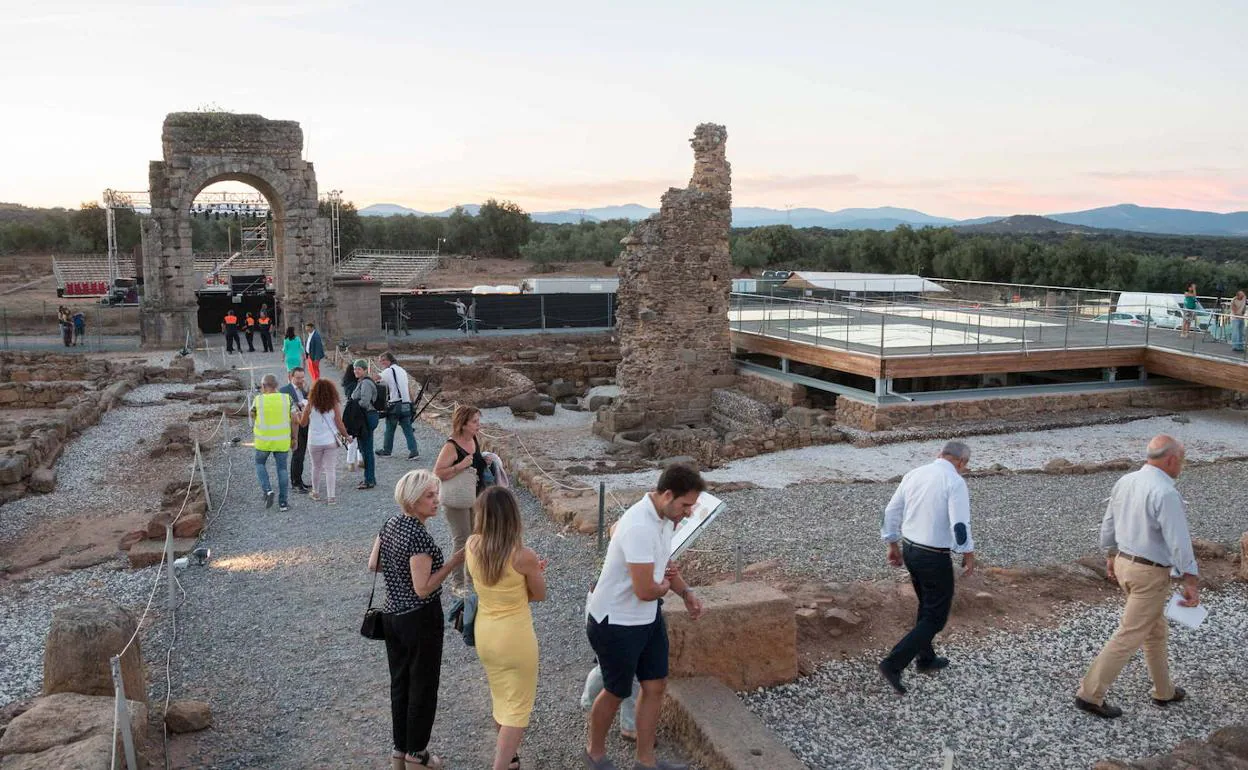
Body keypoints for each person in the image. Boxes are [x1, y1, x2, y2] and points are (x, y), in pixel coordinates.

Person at [584, 464, 706, 770]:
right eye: (685, 505)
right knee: (616, 690)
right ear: (667, 495)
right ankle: (594, 755)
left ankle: (645, 762)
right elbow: (646, 589)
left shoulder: (665, 517)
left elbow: (665, 567)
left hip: (645, 619)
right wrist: (665, 587)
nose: (689, 513)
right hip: (616, 621)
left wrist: (687, 593)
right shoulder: (639, 525)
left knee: (655, 685)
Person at [1074, 435, 1200, 719]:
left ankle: (1164, 690)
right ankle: (1089, 694)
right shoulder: (1166, 493)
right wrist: (1190, 580)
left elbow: (1109, 522)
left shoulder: (1126, 481)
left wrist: (1110, 555)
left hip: (1124, 564)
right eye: (1182, 460)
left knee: (1154, 629)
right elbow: (1179, 541)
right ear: (1170, 460)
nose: (1182, 466)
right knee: (1129, 634)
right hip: (1150, 573)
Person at [368, 470, 464, 770]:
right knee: (422, 685)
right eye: (429, 496)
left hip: (392, 616)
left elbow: (374, 564)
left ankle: (400, 751)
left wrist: (400, 575)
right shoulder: (418, 535)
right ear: (413, 499)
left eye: (436, 494)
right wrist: (453, 561)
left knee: (400, 684)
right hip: (419, 619)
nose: (437, 501)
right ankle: (417, 754)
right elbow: (423, 588)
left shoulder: (391, 524)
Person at [877, 441, 976, 696]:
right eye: (965, 465)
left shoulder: (914, 474)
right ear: (961, 462)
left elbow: (891, 511)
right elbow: (960, 526)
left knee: (926, 604)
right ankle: (893, 663)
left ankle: (926, 658)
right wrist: (968, 553)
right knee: (936, 617)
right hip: (934, 556)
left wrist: (892, 544)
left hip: (910, 549)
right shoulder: (954, 482)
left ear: (940, 454)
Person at [466, 486, 547, 770]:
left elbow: (492, 588)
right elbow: (538, 595)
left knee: (501, 696)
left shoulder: (472, 544)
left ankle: (510, 759)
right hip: (515, 637)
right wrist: (534, 573)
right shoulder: (523, 555)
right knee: (518, 708)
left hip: (486, 633)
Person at [434, 405, 488, 594]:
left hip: (475, 497)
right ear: (463, 424)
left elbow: (476, 463)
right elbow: (438, 473)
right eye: (474, 422)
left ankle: (472, 577)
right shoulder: (451, 446)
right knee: (462, 539)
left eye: (478, 421)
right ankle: (458, 583)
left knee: (476, 537)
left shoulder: (473, 438)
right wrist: (460, 466)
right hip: (457, 499)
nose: (478, 425)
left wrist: (485, 460)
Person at [250, 373, 299, 513]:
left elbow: (252, 415)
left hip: (263, 441)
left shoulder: (258, 400)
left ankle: (267, 489)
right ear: (277, 385)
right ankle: (283, 503)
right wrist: (294, 438)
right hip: (282, 440)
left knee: (260, 464)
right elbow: (295, 420)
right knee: (282, 470)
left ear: (264, 386)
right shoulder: (287, 399)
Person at [299, 378, 351, 505]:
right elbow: (339, 423)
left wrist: (300, 414)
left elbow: (303, 423)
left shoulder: (310, 404)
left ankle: (315, 493)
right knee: (330, 469)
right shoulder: (333, 404)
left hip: (314, 441)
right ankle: (331, 497)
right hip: (330, 441)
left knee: (316, 467)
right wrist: (347, 436)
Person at [376, 352, 419, 460]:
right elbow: (407, 387)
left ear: (389, 360)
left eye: (383, 360)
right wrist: (412, 403)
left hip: (396, 404)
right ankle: (414, 451)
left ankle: (387, 451)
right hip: (406, 404)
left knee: (390, 428)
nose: (381, 363)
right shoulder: (402, 370)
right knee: (408, 428)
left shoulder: (388, 371)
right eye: (380, 361)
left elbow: (375, 378)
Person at [349, 359, 381, 490]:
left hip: (367, 416)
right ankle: (369, 478)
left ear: (364, 370)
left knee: (366, 450)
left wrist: (353, 404)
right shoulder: (362, 382)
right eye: (355, 369)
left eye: (359, 369)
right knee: (364, 448)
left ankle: (369, 480)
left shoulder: (366, 383)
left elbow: (365, 402)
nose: (356, 371)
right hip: (366, 417)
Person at [280, 367, 311, 494]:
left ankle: (299, 480)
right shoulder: (284, 391)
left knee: (301, 454)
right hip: (293, 427)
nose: (300, 380)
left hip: (304, 424)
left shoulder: (305, 389)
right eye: (298, 378)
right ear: (291, 377)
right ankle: (295, 483)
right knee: (297, 454)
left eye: (302, 377)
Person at [342, 364, 361, 472]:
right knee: (360, 436)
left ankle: (350, 462)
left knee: (351, 436)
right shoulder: (357, 384)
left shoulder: (347, 384)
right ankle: (360, 459)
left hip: (349, 411)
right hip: (359, 411)